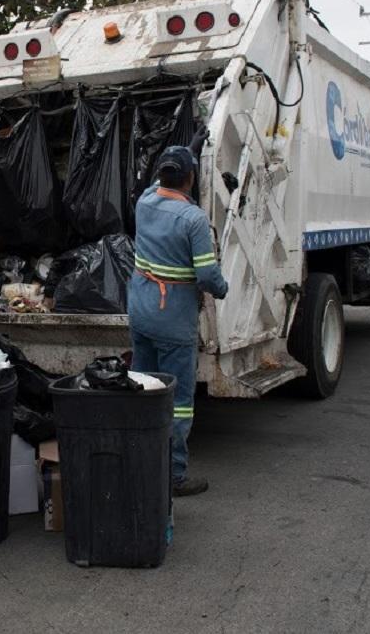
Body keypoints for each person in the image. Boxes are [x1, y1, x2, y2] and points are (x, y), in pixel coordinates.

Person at [128, 145, 228, 497]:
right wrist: (224, 287)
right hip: (172, 320)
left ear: (160, 175)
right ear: (190, 178)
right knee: (179, 399)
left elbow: (154, 190)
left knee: (143, 389)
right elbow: (206, 275)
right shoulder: (194, 220)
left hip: (140, 312)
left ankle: (139, 461)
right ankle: (173, 475)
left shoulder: (144, 203)